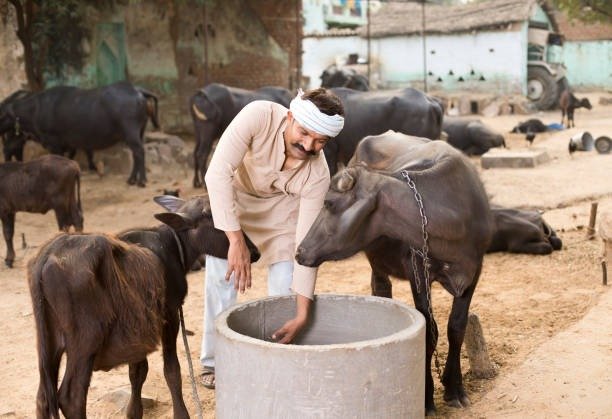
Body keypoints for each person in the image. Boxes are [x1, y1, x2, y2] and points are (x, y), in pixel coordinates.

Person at [199, 87, 345, 389]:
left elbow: (306, 248)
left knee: (284, 287)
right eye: (304, 133)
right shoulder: (258, 115)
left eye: (320, 141)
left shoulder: (318, 175)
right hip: (235, 201)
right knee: (221, 276)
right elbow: (217, 174)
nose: (308, 145)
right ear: (290, 117)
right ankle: (214, 361)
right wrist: (235, 240)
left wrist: (302, 313)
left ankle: (278, 359)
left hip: (282, 214)